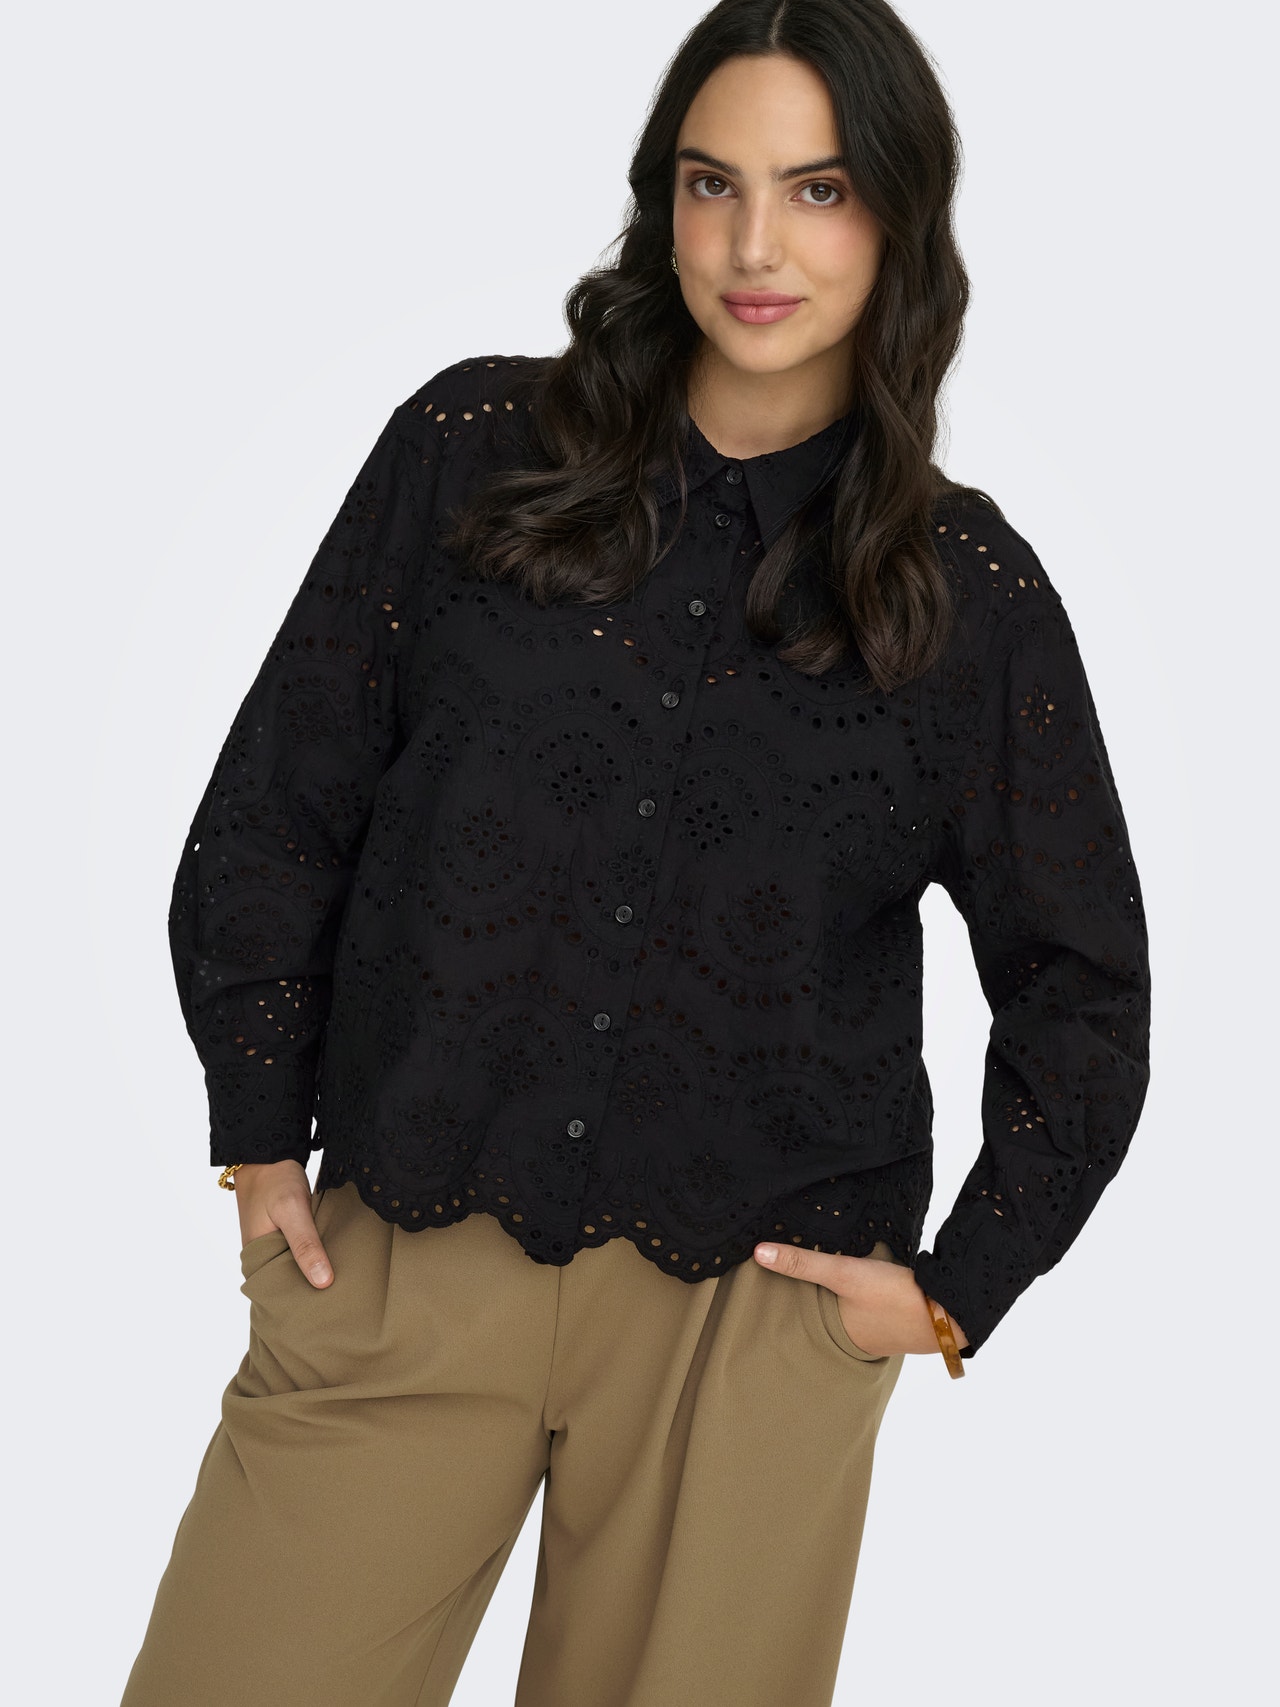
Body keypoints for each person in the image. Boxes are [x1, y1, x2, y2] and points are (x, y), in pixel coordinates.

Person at [120, 2, 1151, 1703]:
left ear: (898, 218)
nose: (755, 247)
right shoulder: (469, 454)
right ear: (660, 199)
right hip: (406, 1249)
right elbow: (280, 802)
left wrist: (957, 1290)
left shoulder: (962, 596)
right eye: (711, 182)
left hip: (751, 1319)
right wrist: (255, 1129)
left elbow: (1083, 985)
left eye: (818, 190)